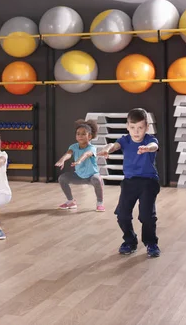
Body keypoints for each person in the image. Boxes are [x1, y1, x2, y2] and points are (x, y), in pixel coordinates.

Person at [98, 108, 161, 258]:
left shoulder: (150, 140)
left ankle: (151, 243)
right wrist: (107, 148)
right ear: (127, 127)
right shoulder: (125, 140)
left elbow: (155, 146)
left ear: (146, 127)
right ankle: (130, 241)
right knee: (122, 215)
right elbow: (114, 145)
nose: (136, 131)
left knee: (147, 216)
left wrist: (147, 149)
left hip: (148, 182)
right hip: (129, 182)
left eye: (140, 128)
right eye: (132, 128)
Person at [55, 119, 105, 211]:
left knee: (97, 179)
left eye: (83, 134)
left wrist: (79, 161)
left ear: (89, 136)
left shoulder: (92, 148)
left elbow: (86, 154)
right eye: (78, 134)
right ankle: (71, 202)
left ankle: (100, 203)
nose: (80, 136)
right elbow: (68, 154)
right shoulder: (73, 146)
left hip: (91, 177)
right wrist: (62, 160)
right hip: (79, 176)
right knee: (62, 178)